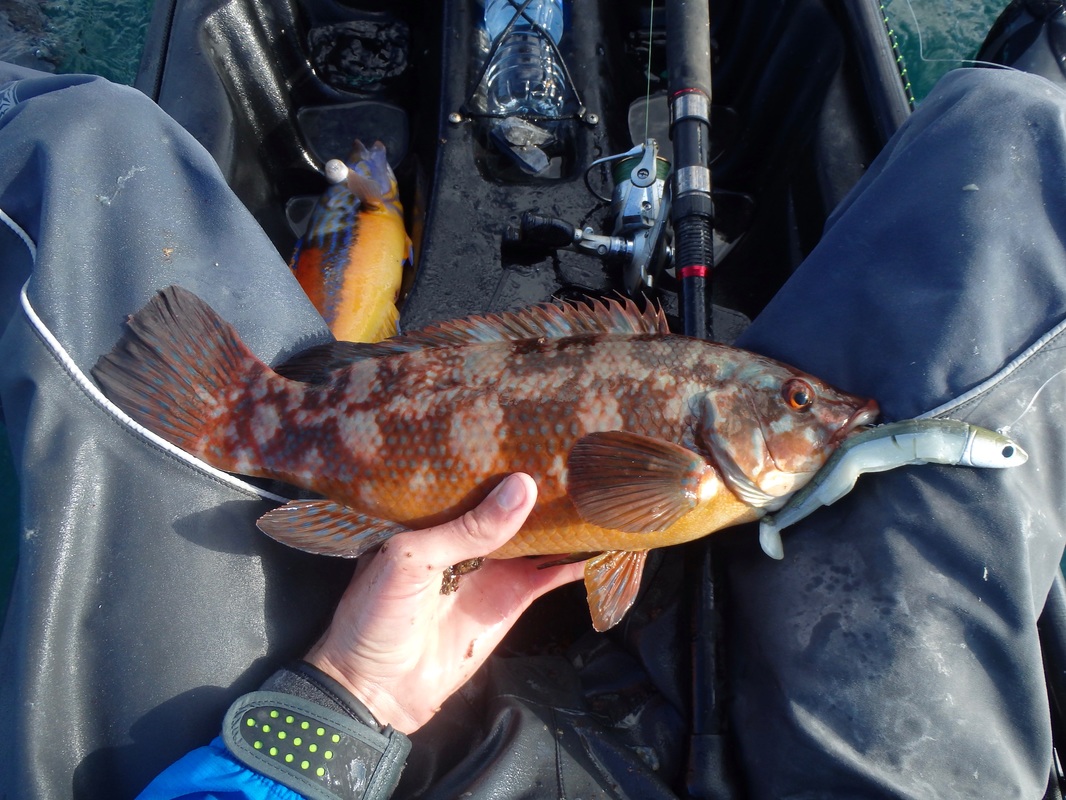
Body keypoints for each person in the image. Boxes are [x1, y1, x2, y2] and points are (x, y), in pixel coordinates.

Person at [3, 4, 1066, 799]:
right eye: (794, 397)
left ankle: (248, 419)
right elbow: (618, 512)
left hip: (349, 725)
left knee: (90, 138)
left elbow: (612, 519)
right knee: (1008, 128)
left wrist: (342, 699)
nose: (829, 411)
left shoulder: (695, 452)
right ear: (715, 423)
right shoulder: (692, 468)